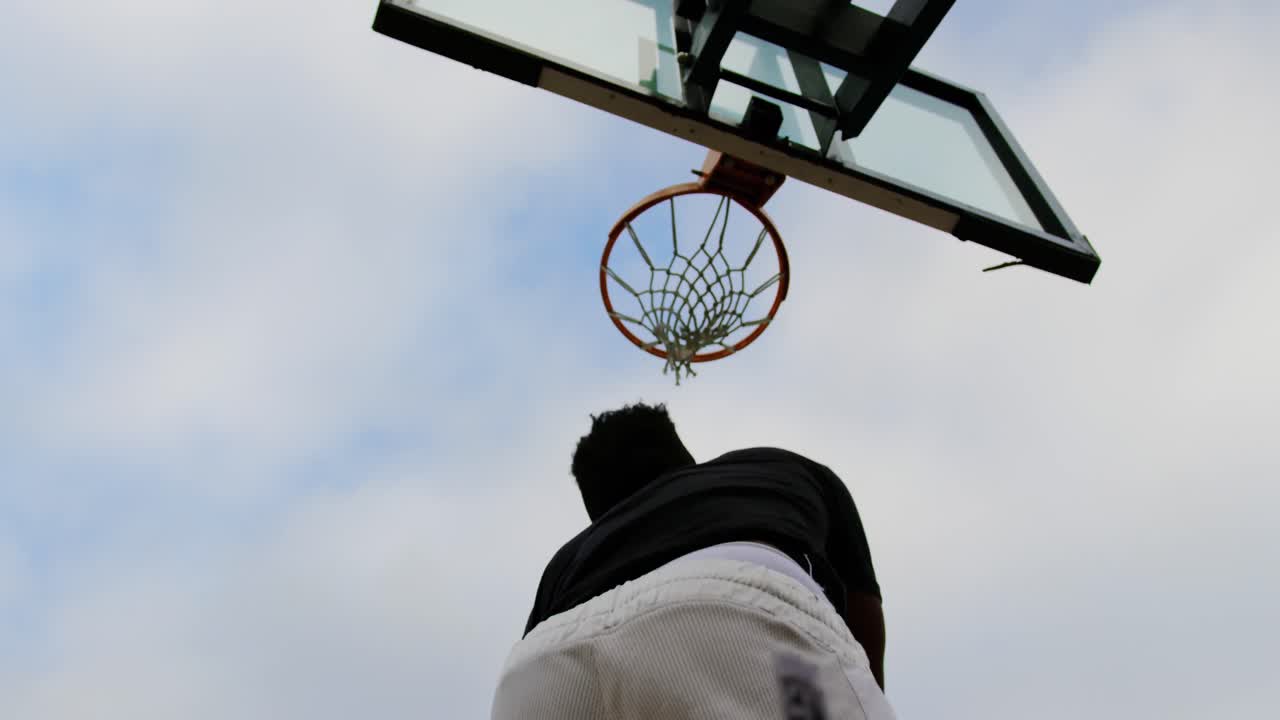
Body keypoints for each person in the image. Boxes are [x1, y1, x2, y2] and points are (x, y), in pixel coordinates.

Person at [490, 402, 894, 720]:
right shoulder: (776, 469)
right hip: (736, 604)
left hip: (546, 664)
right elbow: (862, 619)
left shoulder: (567, 559)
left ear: (598, 511)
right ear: (688, 463)